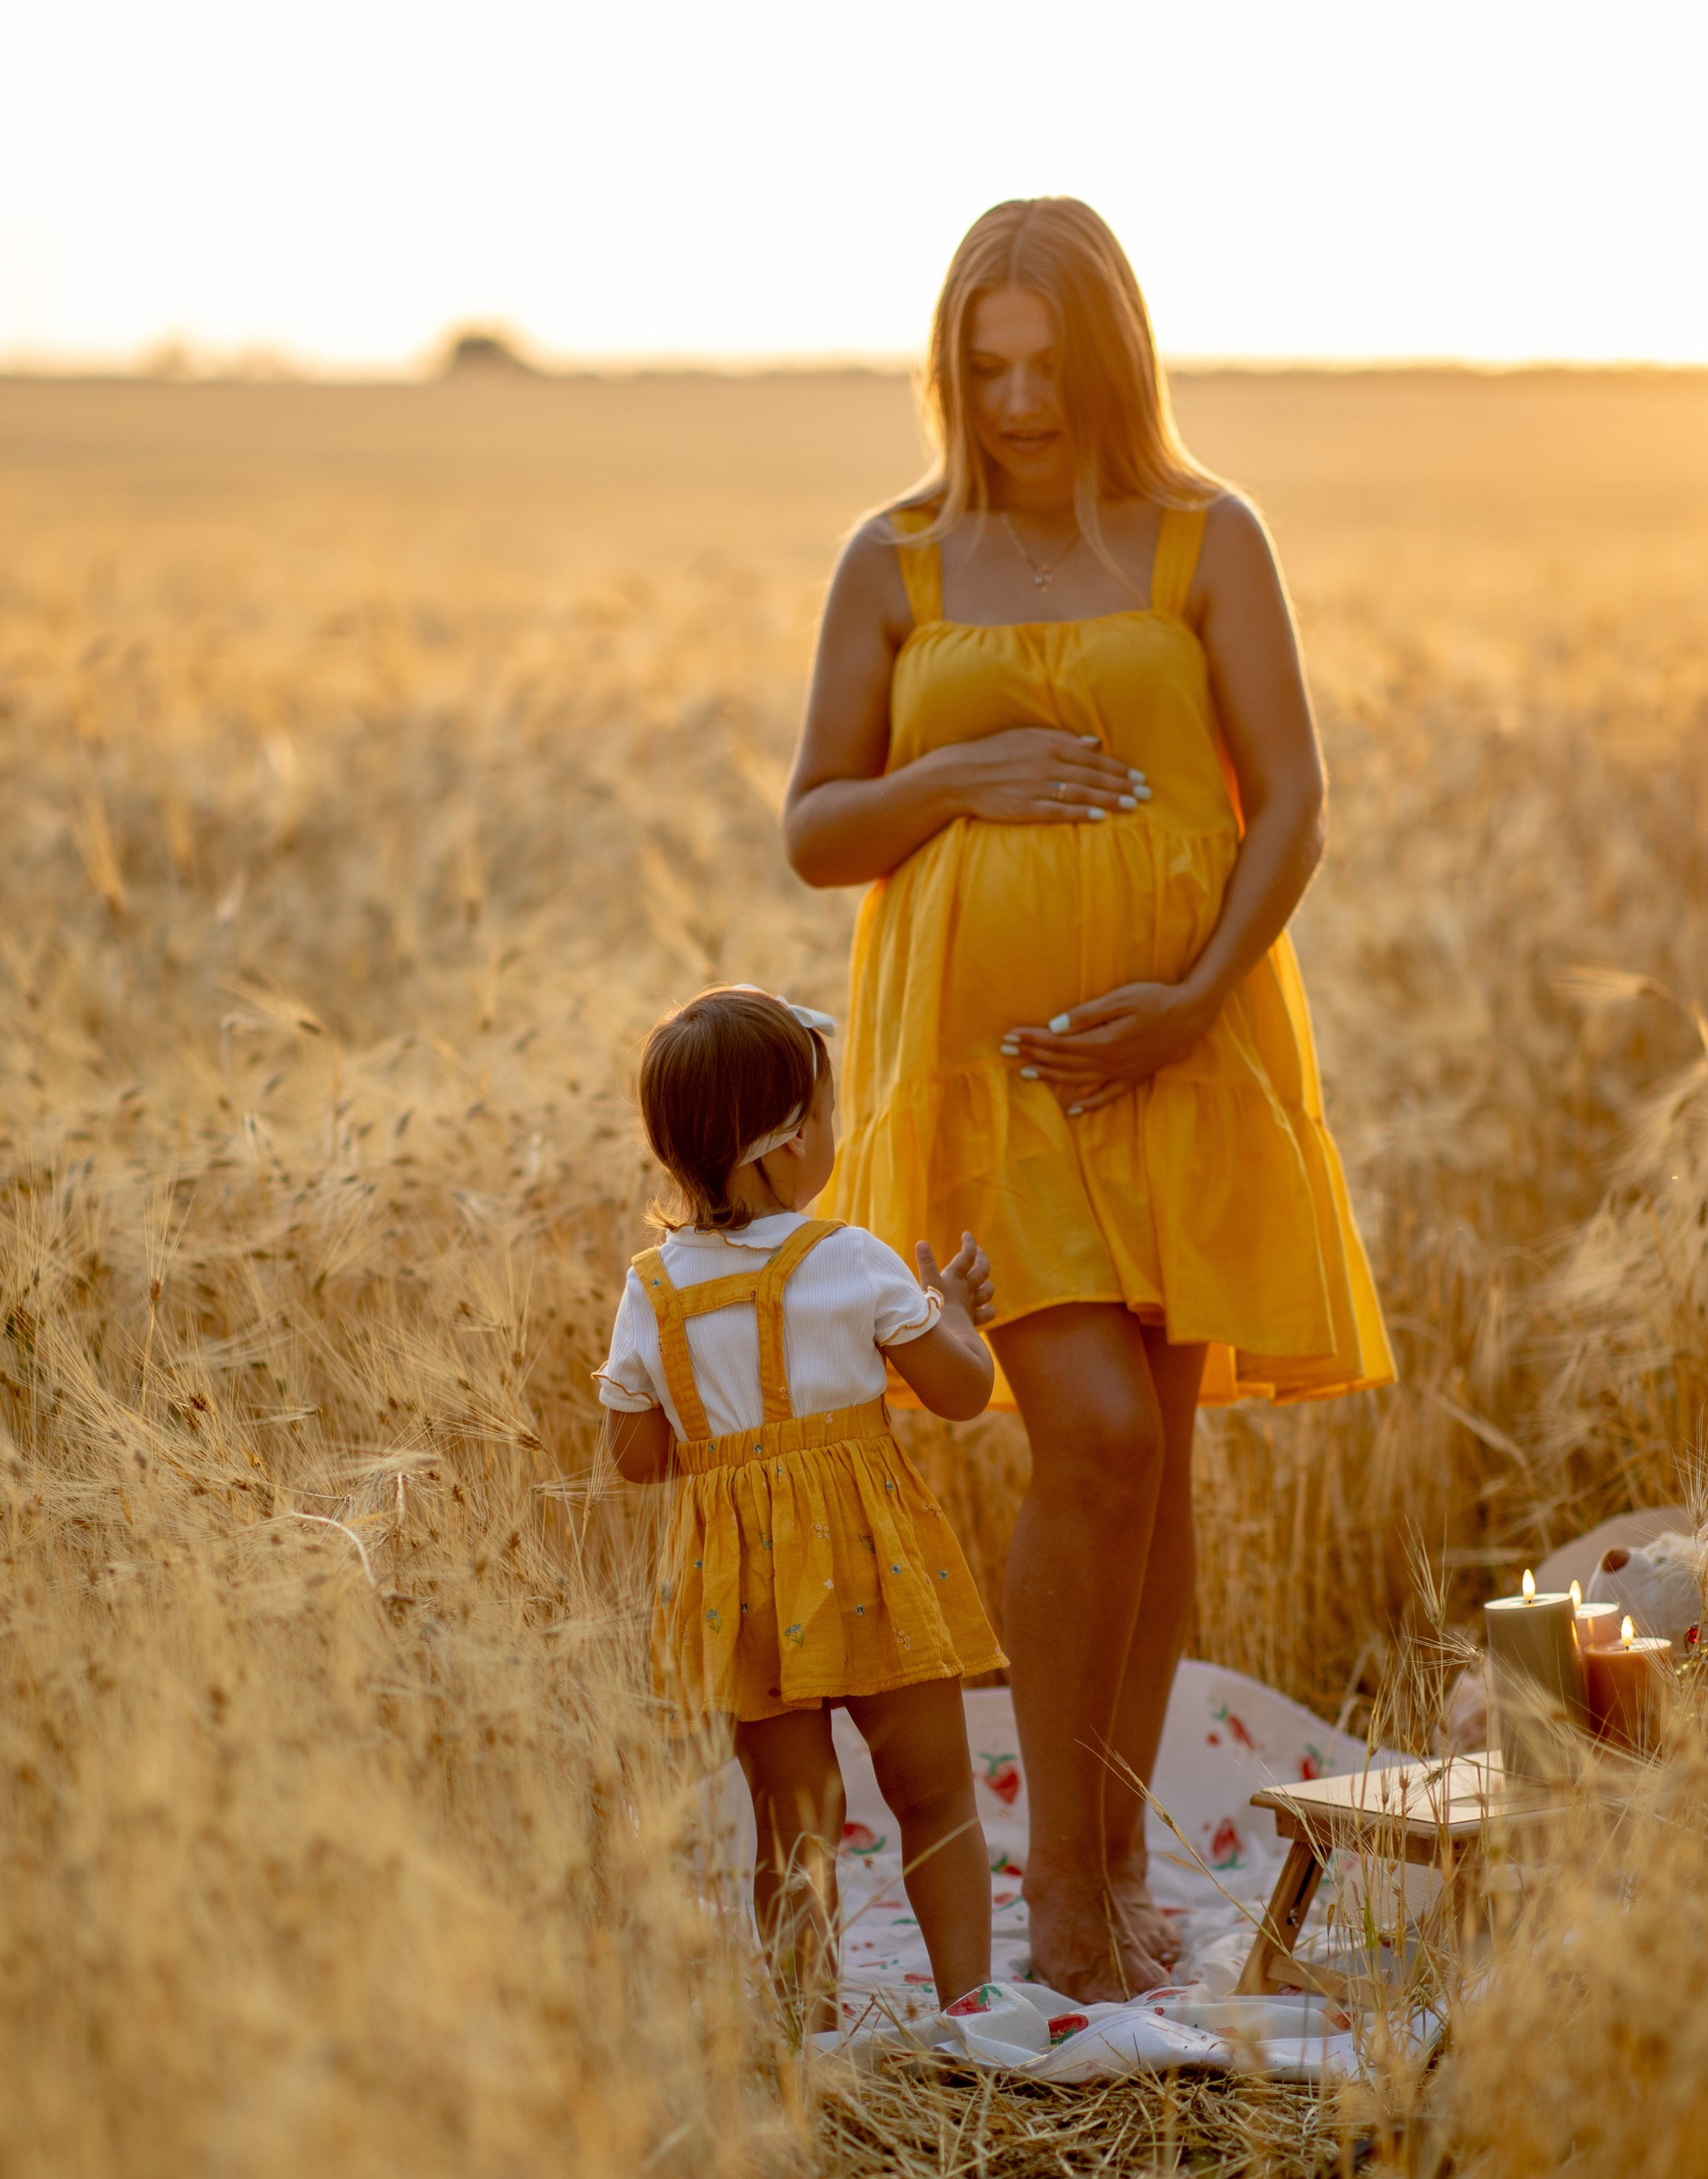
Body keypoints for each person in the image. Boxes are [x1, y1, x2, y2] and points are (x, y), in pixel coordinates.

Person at [782, 197, 1394, 2005]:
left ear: (1112, 359)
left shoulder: (1207, 538)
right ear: (950, 366)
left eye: (1050, 363)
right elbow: (817, 827)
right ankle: (1057, 1886)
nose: (1019, 397)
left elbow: (1285, 799)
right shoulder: (892, 558)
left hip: (1185, 1053)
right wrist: (955, 767)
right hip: (979, 1081)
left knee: (1163, 1476)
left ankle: (1118, 1861)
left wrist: (1189, 1001)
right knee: (1097, 1442)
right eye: (988, 365)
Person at [598, 984, 1004, 2025]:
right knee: (938, 1796)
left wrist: (729, 1452)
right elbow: (960, 1394)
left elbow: (638, 1458)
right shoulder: (852, 1260)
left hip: (742, 1587)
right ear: (782, 1145)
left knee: (793, 1826)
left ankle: (808, 2032)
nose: (835, 1132)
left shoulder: (651, 1289)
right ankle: (970, 2005)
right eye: (825, 1114)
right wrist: (955, 1313)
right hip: (875, 1563)